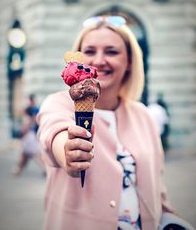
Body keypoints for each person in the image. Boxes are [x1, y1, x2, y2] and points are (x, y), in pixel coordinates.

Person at [37, 16, 195, 230]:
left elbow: (156, 186)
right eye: (90, 51)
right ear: (77, 59)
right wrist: (66, 151)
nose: (99, 60)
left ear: (129, 61)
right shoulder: (59, 103)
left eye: (112, 51)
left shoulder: (143, 115)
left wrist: (167, 215)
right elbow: (53, 132)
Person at [12, 94, 45, 176]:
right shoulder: (35, 109)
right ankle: (18, 169)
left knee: (34, 153)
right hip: (32, 135)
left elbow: (28, 123)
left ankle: (45, 169)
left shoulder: (31, 110)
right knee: (26, 153)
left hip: (29, 135)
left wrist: (22, 133)